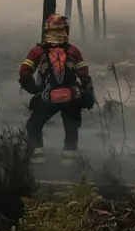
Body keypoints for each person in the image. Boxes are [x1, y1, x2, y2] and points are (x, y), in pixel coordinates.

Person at [19, 13, 95, 165]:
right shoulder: (73, 50)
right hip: (72, 96)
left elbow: (24, 72)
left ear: (47, 31)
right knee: (71, 126)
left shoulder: (37, 51)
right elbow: (84, 75)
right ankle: (70, 163)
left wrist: (35, 90)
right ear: (65, 31)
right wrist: (87, 93)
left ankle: (37, 161)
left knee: (34, 125)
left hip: (47, 97)